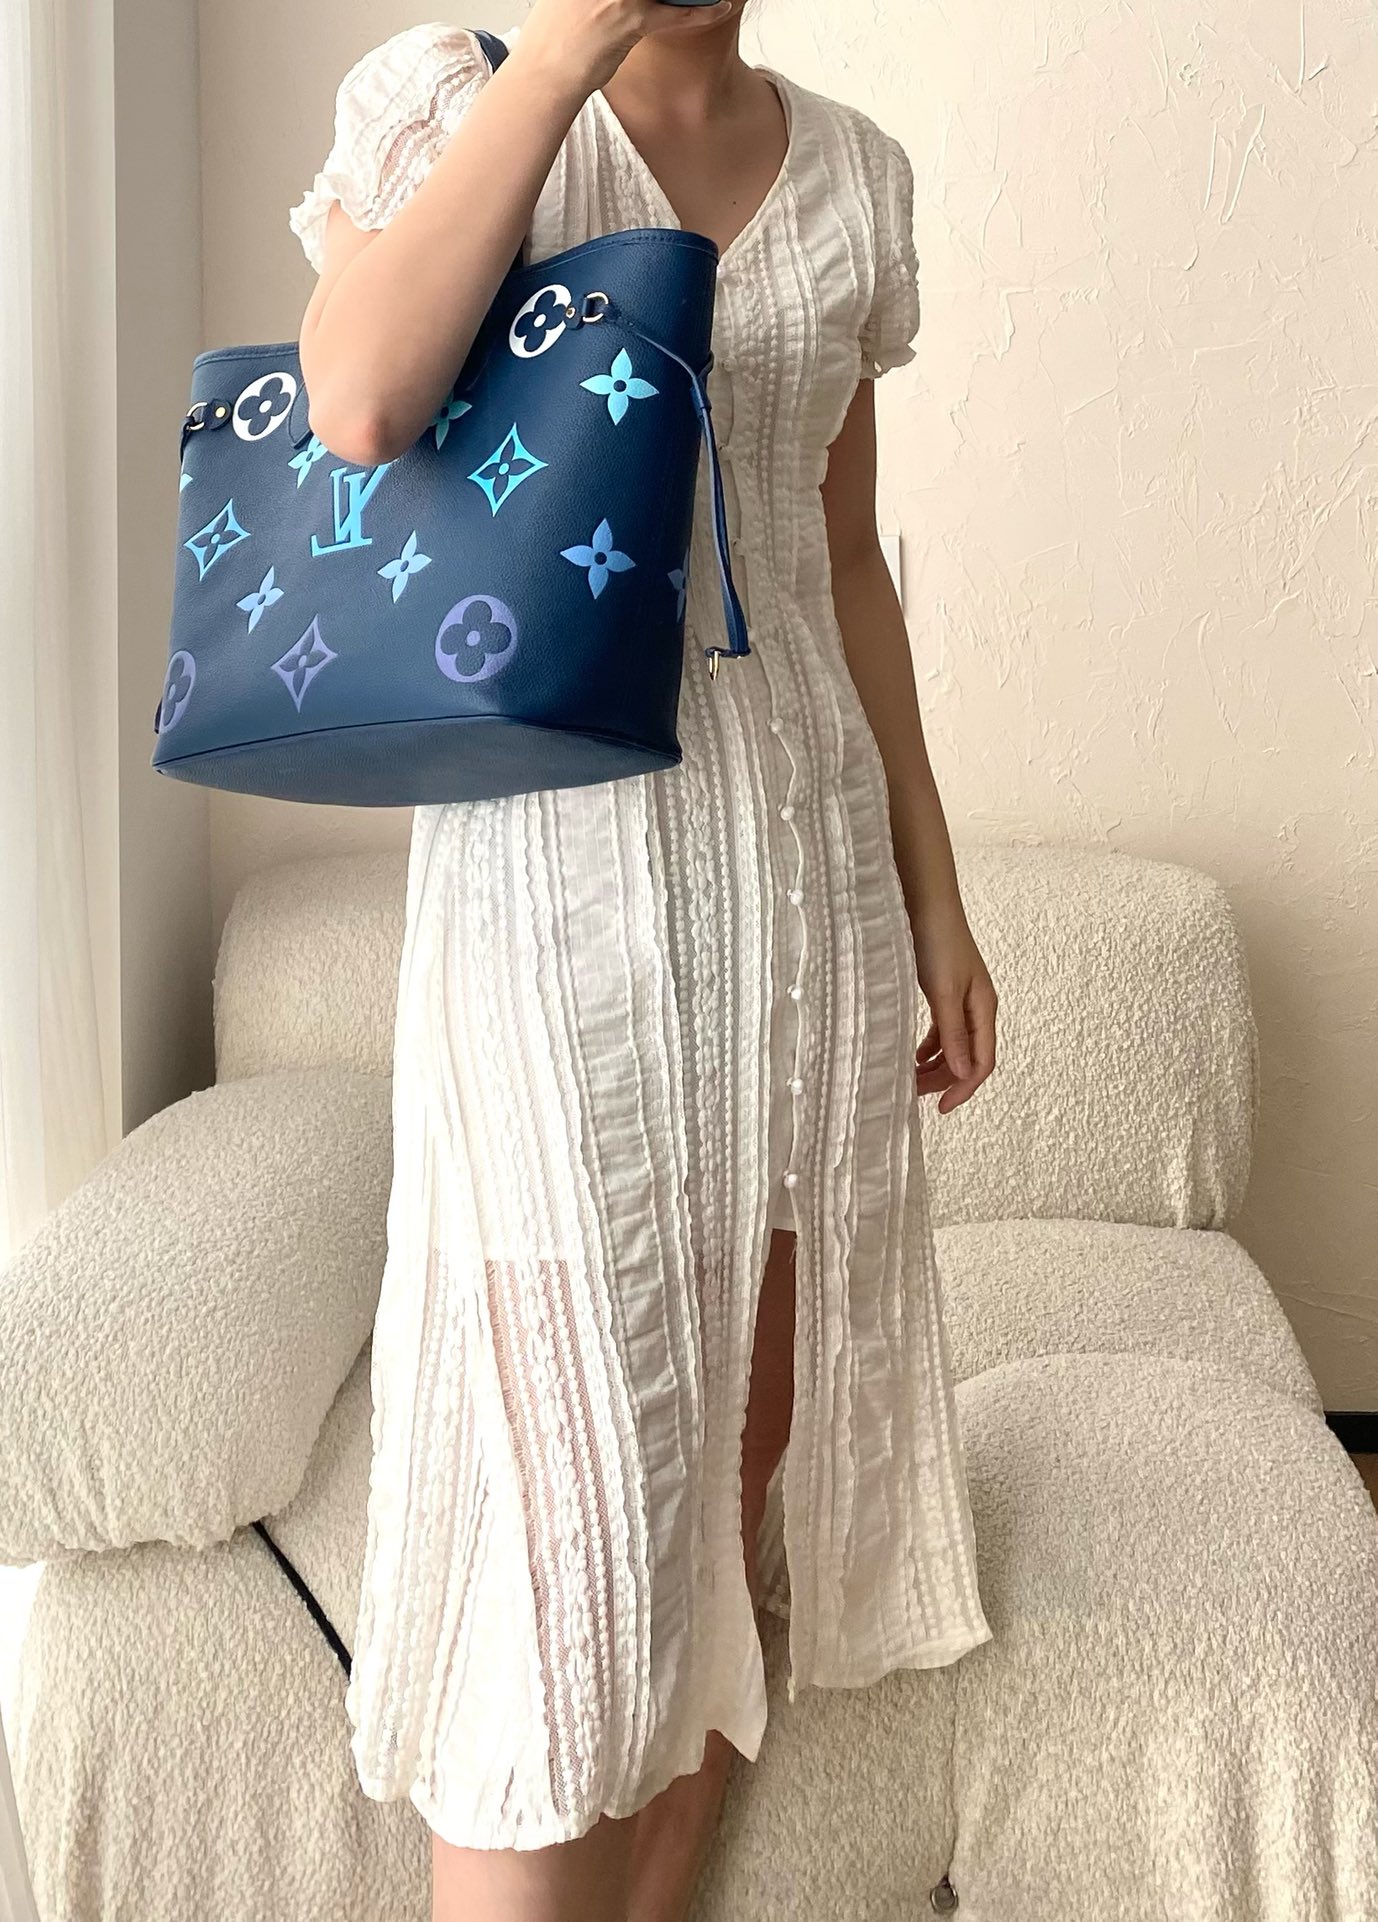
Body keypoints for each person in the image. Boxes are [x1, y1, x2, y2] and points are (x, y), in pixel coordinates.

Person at [289, 3, 998, 1917]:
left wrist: (933, 892)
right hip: (554, 907)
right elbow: (356, 397)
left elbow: (840, 559)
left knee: (721, 1502)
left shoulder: (853, 177)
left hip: (799, 903)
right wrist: (555, 66)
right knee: (563, 1559)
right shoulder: (447, 94)